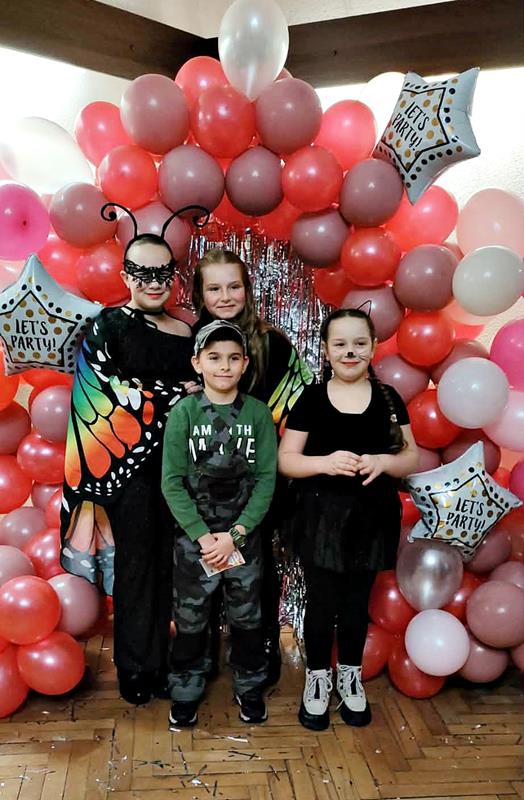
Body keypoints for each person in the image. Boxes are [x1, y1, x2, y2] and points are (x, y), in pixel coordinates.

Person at [60, 203, 208, 706]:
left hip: (182, 471)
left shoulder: (188, 332)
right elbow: (101, 396)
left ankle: (166, 663)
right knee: (138, 567)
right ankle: (135, 668)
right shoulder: (108, 326)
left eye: (163, 273)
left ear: (174, 276)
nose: (153, 283)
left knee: (174, 568)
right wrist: (175, 395)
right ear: (125, 276)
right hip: (130, 474)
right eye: (142, 273)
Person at [278, 308, 419, 731]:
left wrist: (384, 461)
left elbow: (411, 457)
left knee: (358, 603)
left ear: (373, 347)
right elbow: (286, 460)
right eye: (340, 344)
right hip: (320, 518)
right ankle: (318, 678)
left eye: (359, 343)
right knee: (322, 604)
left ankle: (350, 676)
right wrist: (324, 463)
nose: (350, 352)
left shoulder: (389, 397)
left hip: (372, 518)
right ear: (325, 350)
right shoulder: (311, 398)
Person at [192, 247, 314, 685]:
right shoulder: (191, 342)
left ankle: (260, 657)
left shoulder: (271, 343)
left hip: (258, 484)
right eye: (214, 288)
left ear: (247, 289)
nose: (225, 296)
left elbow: (301, 408)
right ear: (200, 294)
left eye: (234, 286)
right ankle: (203, 654)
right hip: (203, 485)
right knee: (203, 567)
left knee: (256, 571)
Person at [161, 320, 277, 727]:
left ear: (244, 364)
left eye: (232, 358)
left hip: (242, 539)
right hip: (195, 542)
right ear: (197, 363)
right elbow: (171, 482)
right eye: (214, 358)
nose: (224, 366)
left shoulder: (257, 414)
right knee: (191, 618)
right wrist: (202, 536)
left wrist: (236, 535)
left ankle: (249, 686)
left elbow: (266, 480)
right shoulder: (184, 413)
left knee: (247, 617)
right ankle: (186, 688)